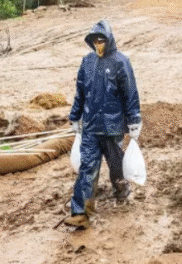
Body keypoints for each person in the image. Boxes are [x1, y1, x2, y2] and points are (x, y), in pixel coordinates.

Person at [64, 20, 142, 229]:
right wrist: (75, 116)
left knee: (118, 166)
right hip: (90, 127)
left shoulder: (121, 62)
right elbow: (80, 92)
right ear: (90, 42)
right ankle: (81, 212)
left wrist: (134, 121)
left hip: (115, 127)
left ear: (109, 40)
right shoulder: (87, 62)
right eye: (95, 41)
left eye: (102, 40)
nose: (98, 44)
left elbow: (130, 94)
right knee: (88, 167)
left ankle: (122, 192)